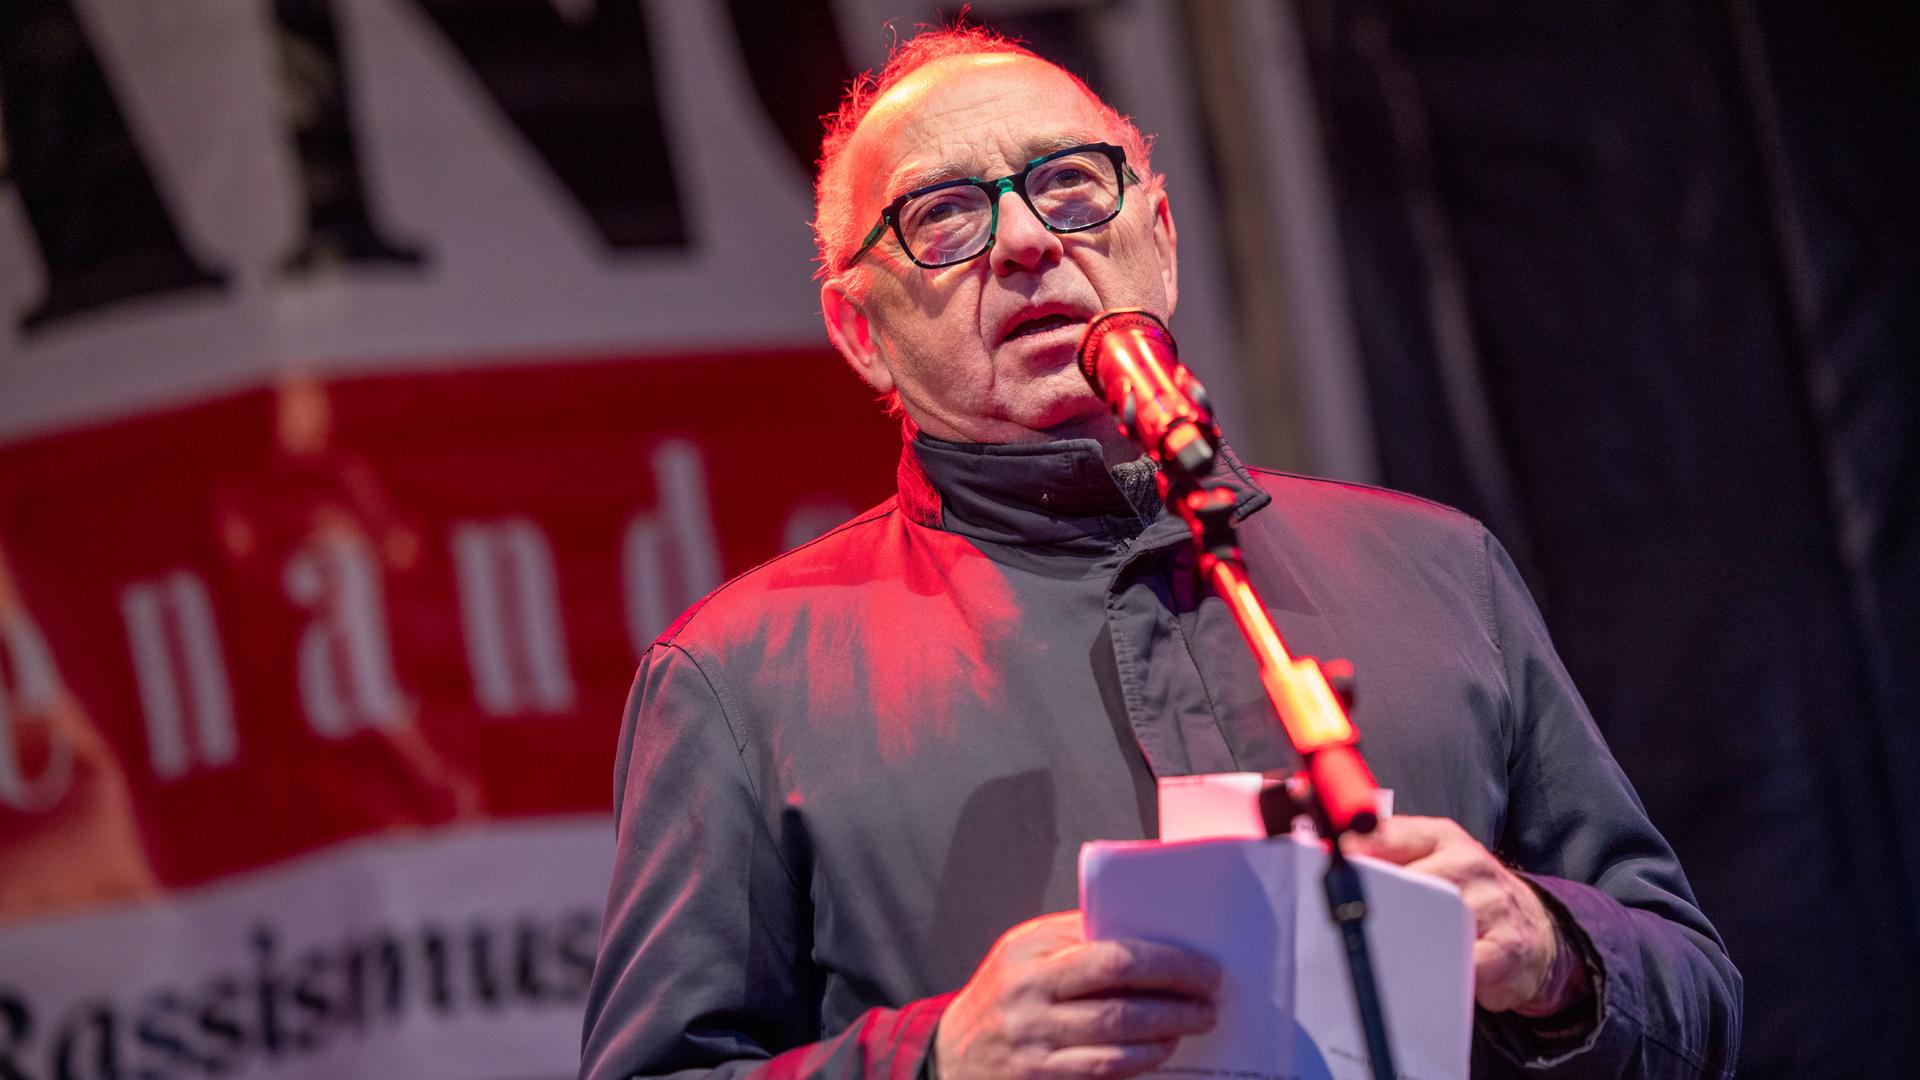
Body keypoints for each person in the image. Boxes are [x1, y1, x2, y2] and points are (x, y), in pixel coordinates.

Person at [579, 27, 1740, 1080]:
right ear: (862, 333)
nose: (1028, 241)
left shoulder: (1436, 569)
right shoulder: (745, 676)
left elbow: (1699, 998)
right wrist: (935, 1062)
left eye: (1071, 186)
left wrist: (1552, 956)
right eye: (944, 215)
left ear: (1162, 242)